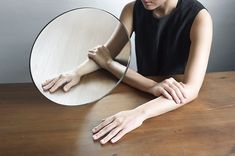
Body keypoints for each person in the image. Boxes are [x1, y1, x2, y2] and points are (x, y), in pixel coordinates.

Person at [42, 0, 213, 144]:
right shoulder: (132, 9)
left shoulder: (200, 18)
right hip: (141, 91)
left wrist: (138, 114)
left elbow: (190, 90)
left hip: (174, 103)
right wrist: (76, 72)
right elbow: (105, 54)